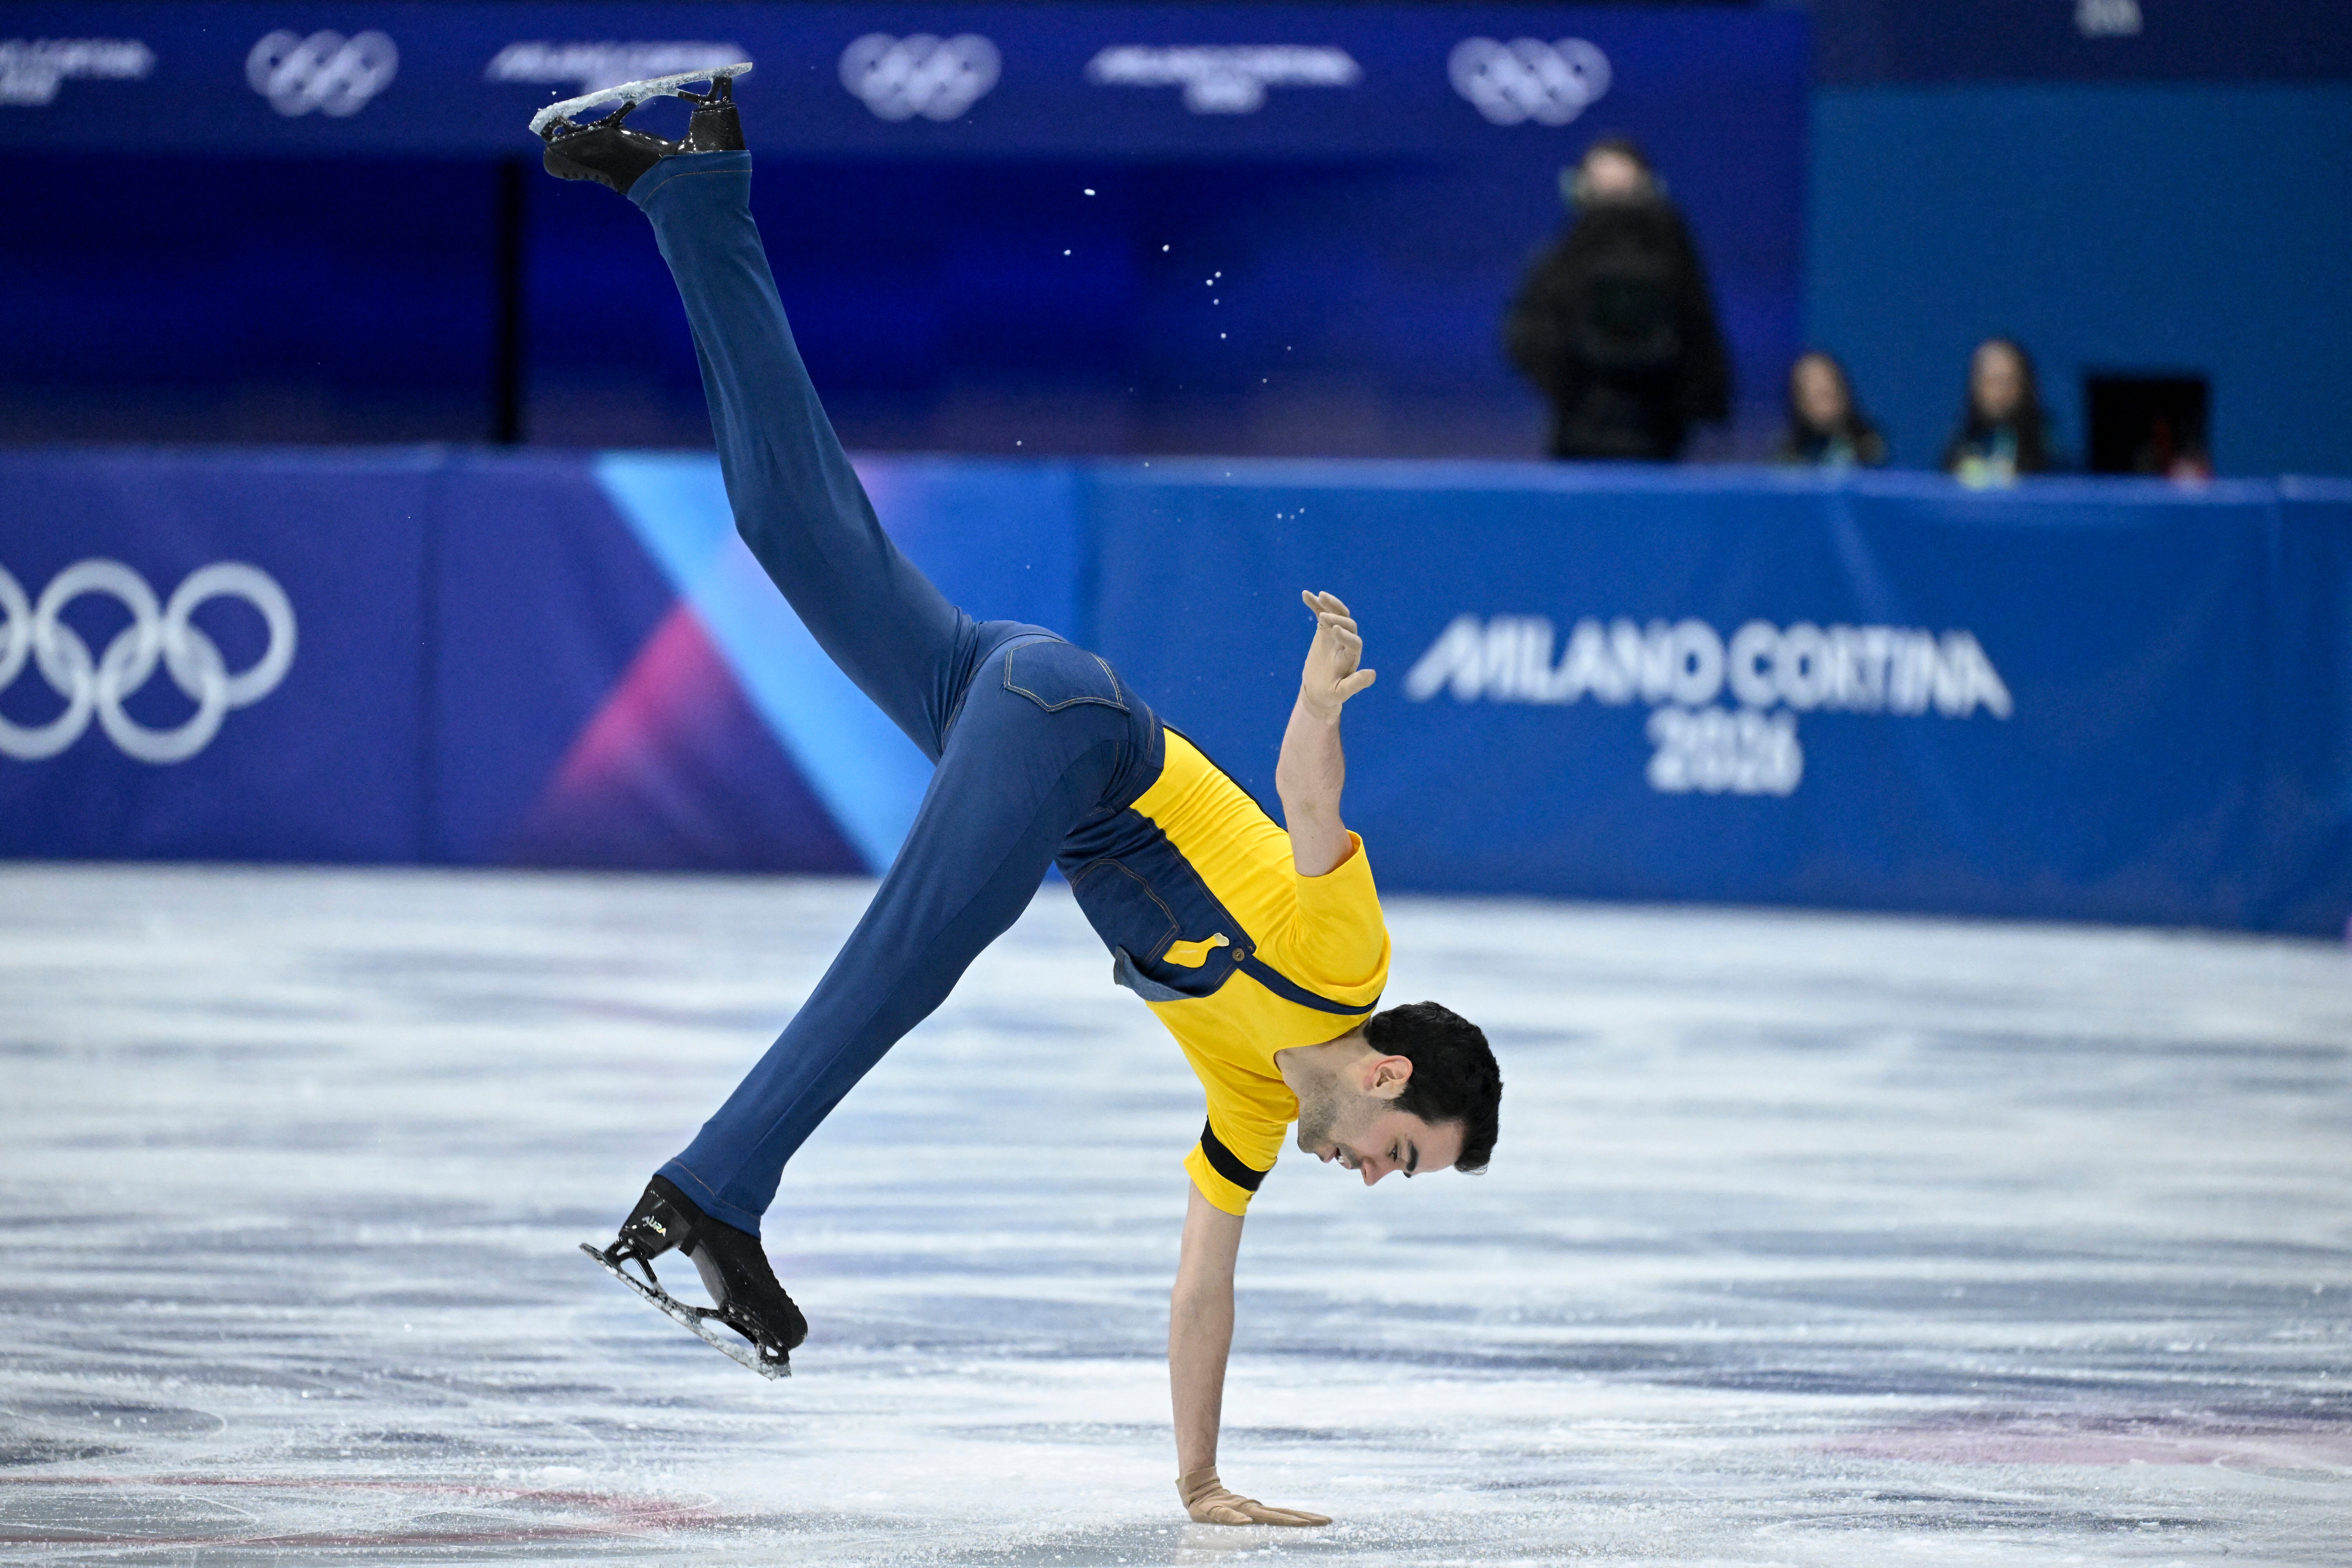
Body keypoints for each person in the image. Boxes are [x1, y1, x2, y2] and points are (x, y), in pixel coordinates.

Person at [531, 70, 1504, 1530]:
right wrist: (1314, 700)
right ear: (1386, 1079)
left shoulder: (1251, 1102)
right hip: (1068, 726)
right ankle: (714, 1192)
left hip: (1012, 714)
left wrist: (1198, 1483)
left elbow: (1201, 1282)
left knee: (789, 525)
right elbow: (1310, 808)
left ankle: (690, 176)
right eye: (1404, 1158)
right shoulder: (1342, 962)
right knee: (916, 947)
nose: (1374, 1179)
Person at [1504, 137, 1732, 461]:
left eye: (1624, 194)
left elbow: (1700, 334)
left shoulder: (1676, 259)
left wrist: (1693, 403)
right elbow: (1530, 337)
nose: (1615, 213)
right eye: (1603, 195)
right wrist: (1570, 391)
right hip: (1580, 429)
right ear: (1580, 190)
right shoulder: (1560, 263)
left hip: (1660, 431)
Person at [1941, 337, 2059, 485]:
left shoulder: (2047, 444)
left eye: (2009, 381)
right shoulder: (1961, 443)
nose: (2000, 393)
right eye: (1992, 382)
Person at [1771, 351, 1887, 469]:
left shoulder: (1868, 446)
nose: (1821, 393)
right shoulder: (1789, 454)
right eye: (1811, 390)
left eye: (1827, 389)